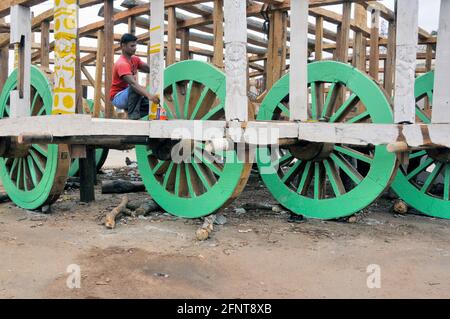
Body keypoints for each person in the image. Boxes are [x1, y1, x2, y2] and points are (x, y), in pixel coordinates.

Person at [110, 33, 160, 120]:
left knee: (149, 105)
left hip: (129, 95)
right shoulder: (122, 63)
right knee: (136, 88)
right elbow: (133, 84)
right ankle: (132, 116)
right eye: (132, 46)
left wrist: (159, 59)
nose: (135, 48)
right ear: (123, 46)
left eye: (135, 45)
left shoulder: (135, 59)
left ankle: (132, 114)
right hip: (117, 97)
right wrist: (149, 95)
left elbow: (150, 70)